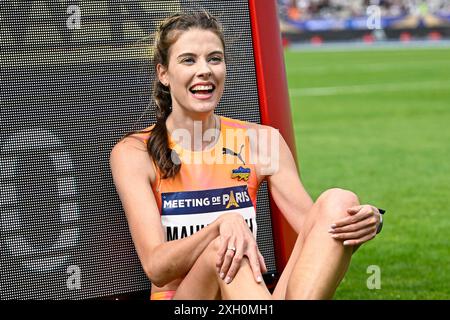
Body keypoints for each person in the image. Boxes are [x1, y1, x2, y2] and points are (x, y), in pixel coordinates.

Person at [109, 10, 383, 300]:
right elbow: (156, 267)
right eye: (189, 60)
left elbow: (316, 234)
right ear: (163, 73)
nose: (205, 70)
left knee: (339, 201)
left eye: (214, 58)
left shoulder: (260, 141)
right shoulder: (134, 152)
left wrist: (366, 222)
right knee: (226, 246)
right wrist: (221, 227)